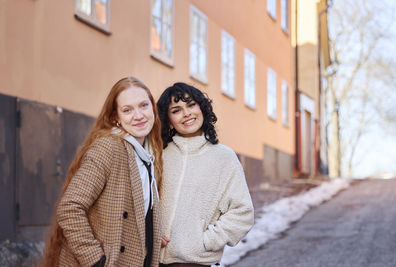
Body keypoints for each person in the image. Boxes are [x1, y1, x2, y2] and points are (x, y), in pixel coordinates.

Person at [42, 77, 163, 267]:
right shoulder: (109, 148)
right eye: (127, 110)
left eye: (143, 105)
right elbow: (69, 207)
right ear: (116, 117)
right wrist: (96, 260)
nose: (138, 115)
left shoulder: (146, 153)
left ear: (153, 109)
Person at [156, 82, 254, 267]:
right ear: (168, 119)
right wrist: (151, 230)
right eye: (176, 110)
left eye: (191, 105)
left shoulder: (223, 157)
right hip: (152, 261)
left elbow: (243, 212)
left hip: (195, 262)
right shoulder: (159, 154)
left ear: (202, 107)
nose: (187, 113)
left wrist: (205, 242)